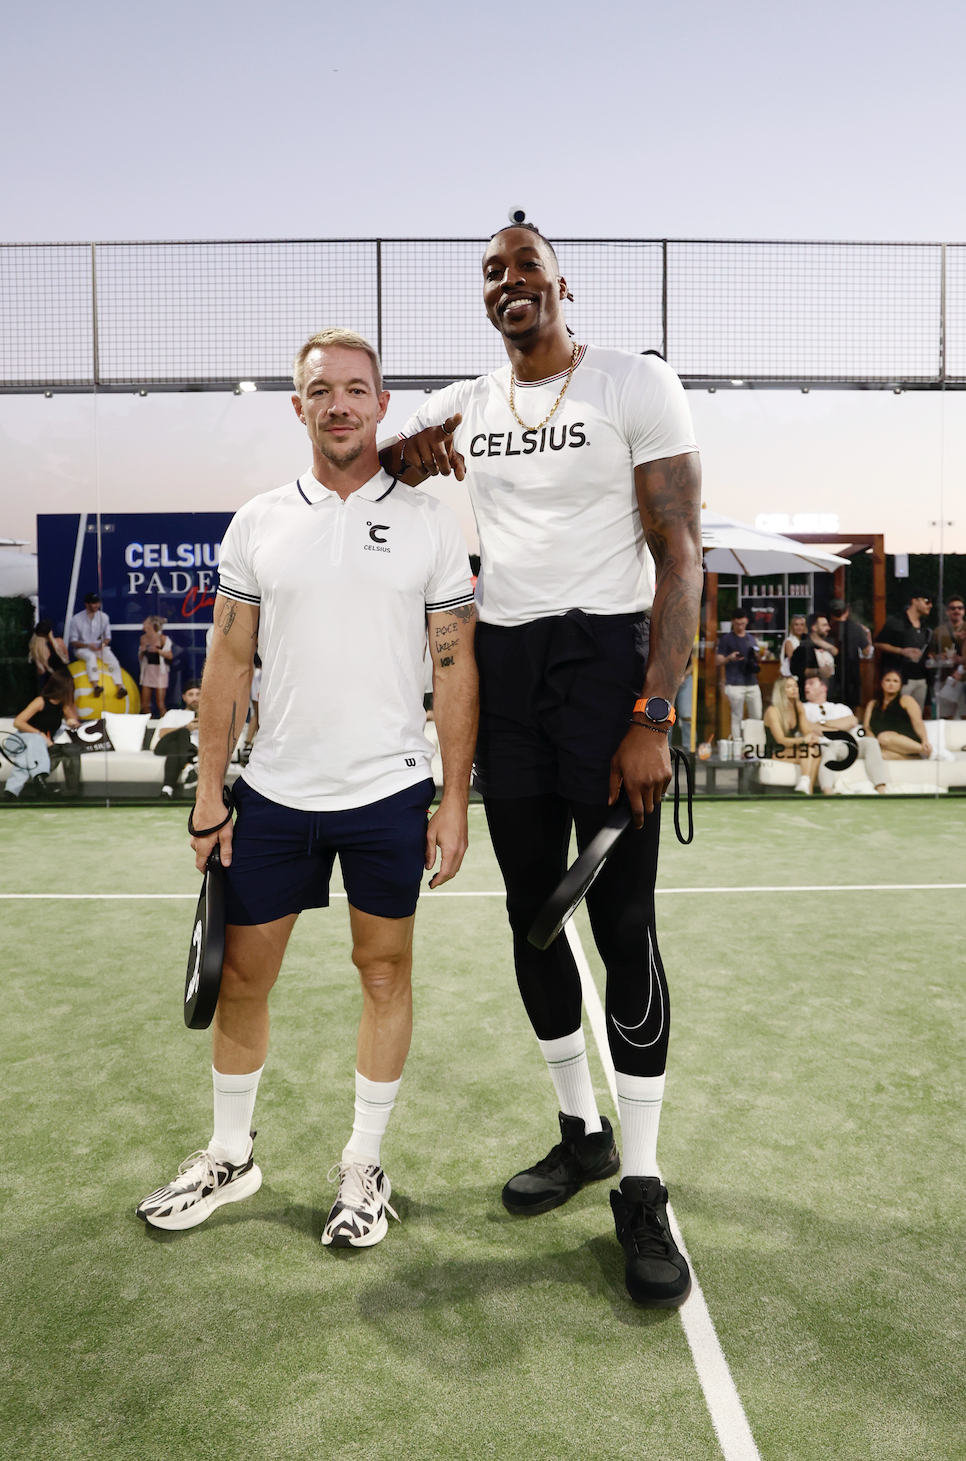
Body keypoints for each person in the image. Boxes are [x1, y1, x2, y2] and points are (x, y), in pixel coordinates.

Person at [381, 223, 702, 1310]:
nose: (508, 283)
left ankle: (642, 1185)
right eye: (491, 272)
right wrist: (410, 451)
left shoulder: (633, 383)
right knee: (532, 916)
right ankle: (581, 1134)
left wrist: (654, 711)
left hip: (609, 669)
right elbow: (377, 456)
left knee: (623, 925)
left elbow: (681, 555)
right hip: (509, 670)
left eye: (525, 266)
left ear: (563, 284)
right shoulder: (469, 402)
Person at [137, 328, 478, 1250]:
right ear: (299, 407)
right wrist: (210, 793)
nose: (340, 404)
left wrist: (453, 799)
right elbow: (229, 660)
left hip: (389, 792)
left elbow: (454, 668)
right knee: (244, 978)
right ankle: (230, 1155)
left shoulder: (430, 523)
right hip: (277, 791)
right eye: (322, 390)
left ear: (381, 404)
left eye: (357, 389)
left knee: (384, 972)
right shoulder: (258, 521)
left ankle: (364, 1165)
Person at [801, 673, 888, 794]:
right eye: (805, 684)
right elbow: (809, 727)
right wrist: (838, 729)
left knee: (871, 742)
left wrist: (822, 722)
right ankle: (828, 792)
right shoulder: (803, 708)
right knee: (827, 753)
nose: (806, 687)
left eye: (811, 684)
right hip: (823, 745)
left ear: (823, 688)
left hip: (844, 745)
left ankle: (881, 788)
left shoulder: (839, 707)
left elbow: (852, 721)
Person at [9, 673, 82, 797]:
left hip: (40, 747)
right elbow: (18, 722)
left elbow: (75, 720)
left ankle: (11, 792)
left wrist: (72, 721)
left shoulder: (63, 705)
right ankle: (40, 781)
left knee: (26, 758)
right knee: (36, 741)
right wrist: (40, 735)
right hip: (22, 740)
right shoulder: (40, 701)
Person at [874, 590, 933, 712]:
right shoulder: (895, 622)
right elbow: (878, 644)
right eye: (927, 601)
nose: (930, 605)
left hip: (921, 678)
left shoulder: (925, 628)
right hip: (901, 677)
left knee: (916, 713)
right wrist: (901, 651)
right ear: (915, 601)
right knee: (897, 712)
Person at [763, 675, 821, 793]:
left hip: (791, 749)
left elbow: (806, 730)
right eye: (789, 687)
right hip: (775, 751)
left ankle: (806, 787)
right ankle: (807, 786)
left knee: (815, 751)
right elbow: (781, 740)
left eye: (795, 686)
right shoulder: (772, 711)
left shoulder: (798, 707)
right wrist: (804, 740)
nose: (794, 689)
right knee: (809, 751)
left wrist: (812, 737)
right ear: (781, 691)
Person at [864, 667, 931, 762]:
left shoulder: (906, 700)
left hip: (904, 741)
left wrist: (925, 740)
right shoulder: (873, 704)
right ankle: (914, 759)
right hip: (883, 745)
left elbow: (918, 722)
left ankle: (925, 751)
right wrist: (873, 742)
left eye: (895, 681)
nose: (891, 684)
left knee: (884, 737)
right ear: (882, 683)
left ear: (900, 685)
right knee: (879, 754)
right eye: (888, 680)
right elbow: (867, 727)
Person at [68, 592, 127, 699]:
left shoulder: (104, 617)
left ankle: (120, 686)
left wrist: (103, 645)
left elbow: (107, 636)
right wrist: (87, 645)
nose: (96, 605)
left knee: (112, 660)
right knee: (91, 657)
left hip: (98, 647)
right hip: (82, 649)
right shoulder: (76, 619)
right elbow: (73, 641)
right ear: (87, 604)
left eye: (97, 603)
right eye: (94, 603)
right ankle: (95, 685)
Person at [716, 610, 762, 742]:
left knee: (757, 715)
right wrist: (729, 658)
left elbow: (757, 658)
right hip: (734, 682)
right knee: (737, 716)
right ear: (732, 622)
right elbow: (718, 660)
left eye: (742, 624)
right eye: (737, 624)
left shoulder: (751, 638)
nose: (740, 627)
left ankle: (754, 743)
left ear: (747, 621)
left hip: (751, 680)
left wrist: (758, 655)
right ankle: (737, 743)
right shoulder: (727, 639)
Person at [153, 678, 201, 796]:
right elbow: (162, 733)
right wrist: (187, 728)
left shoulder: (209, 717)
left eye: (198, 694)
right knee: (183, 732)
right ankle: (189, 765)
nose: (194, 698)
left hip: (188, 749)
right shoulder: (174, 713)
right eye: (190, 695)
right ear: (184, 697)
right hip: (162, 747)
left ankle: (167, 789)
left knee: (174, 747)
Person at [825, 598, 872, 712]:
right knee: (851, 710)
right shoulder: (856, 628)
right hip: (851, 676)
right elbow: (867, 652)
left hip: (831, 676)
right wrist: (868, 635)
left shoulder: (826, 629)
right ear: (846, 612)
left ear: (831, 614)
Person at [930, 595, 966, 719]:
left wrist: (961, 659)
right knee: (946, 717)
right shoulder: (939, 631)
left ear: (964, 611)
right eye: (953, 608)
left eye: (960, 608)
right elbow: (931, 653)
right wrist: (939, 656)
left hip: (965, 679)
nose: (956, 611)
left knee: (965, 717)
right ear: (947, 611)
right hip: (946, 679)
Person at [138, 615, 172, 717]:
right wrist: (142, 651)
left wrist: (157, 650)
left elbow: (170, 655)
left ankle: (165, 721)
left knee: (160, 704)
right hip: (148, 670)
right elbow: (141, 657)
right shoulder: (143, 638)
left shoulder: (162, 638)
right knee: (145, 704)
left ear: (150, 625)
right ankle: (148, 721)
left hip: (160, 671)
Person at [29, 619, 70, 688]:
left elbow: (41, 671)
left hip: (51, 681)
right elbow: (66, 659)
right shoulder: (59, 642)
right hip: (66, 678)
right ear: (50, 632)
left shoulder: (37, 650)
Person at [778, 613, 808, 678]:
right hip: (790, 676)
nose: (799, 627)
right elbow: (794, 659)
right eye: (796, 625)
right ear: (792, 627)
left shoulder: (806, 641)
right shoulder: (789, 641)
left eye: (802, 625)